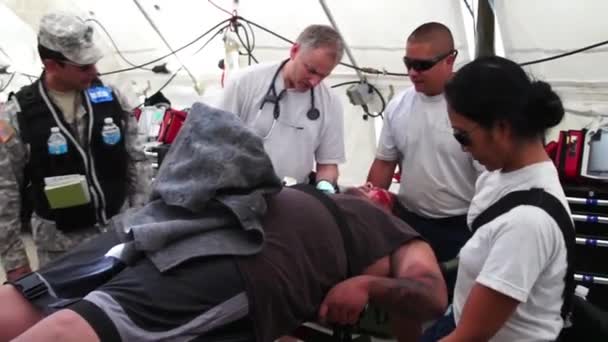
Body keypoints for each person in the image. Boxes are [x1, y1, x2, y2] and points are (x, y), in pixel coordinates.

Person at [0, 102, 447, 342]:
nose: (371, 190)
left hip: (250, 261)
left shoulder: (396, 235)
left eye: (382, 194)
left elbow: (431, 295)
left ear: (390, 210)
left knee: (92, 322)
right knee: (39, 293)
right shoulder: (318, 193)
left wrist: (368, 286)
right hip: (189, 217)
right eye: (370, 188)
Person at [421, 56, 572, 341]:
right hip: (458, 316)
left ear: (502, 128)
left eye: (462, 136)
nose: (464, 149)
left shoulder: (528, 223)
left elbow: (469, 337)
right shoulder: (501, 175)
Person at [0, 12, 151, 281]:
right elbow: (4, 190)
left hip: (119, 239)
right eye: (83, 66)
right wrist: (15, 261)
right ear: (52, 64)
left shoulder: (110, 99)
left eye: (93, 62)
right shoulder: (18, 115)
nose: (94, 71)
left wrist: (140, 221)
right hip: (61, 250)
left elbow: (137, 161)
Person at [367, 22, 481, 264]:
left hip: (461, 226)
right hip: (409, 222)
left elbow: (491, 176)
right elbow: (384, 163)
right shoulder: (398, 106)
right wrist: (368, 213)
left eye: (422, 65)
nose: (412, 72)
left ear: (449, 60)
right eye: (408, 63)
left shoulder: (472, 108)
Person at [217, 24, 345, 192]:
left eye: (323, 75)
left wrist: (325, 185)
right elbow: (216, 143)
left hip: (293, 197)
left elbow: (328, 165)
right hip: (240, 192)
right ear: (294, 50)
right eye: (311, 70)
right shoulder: (244, 82)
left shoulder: (331, 103)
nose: (314, 82)